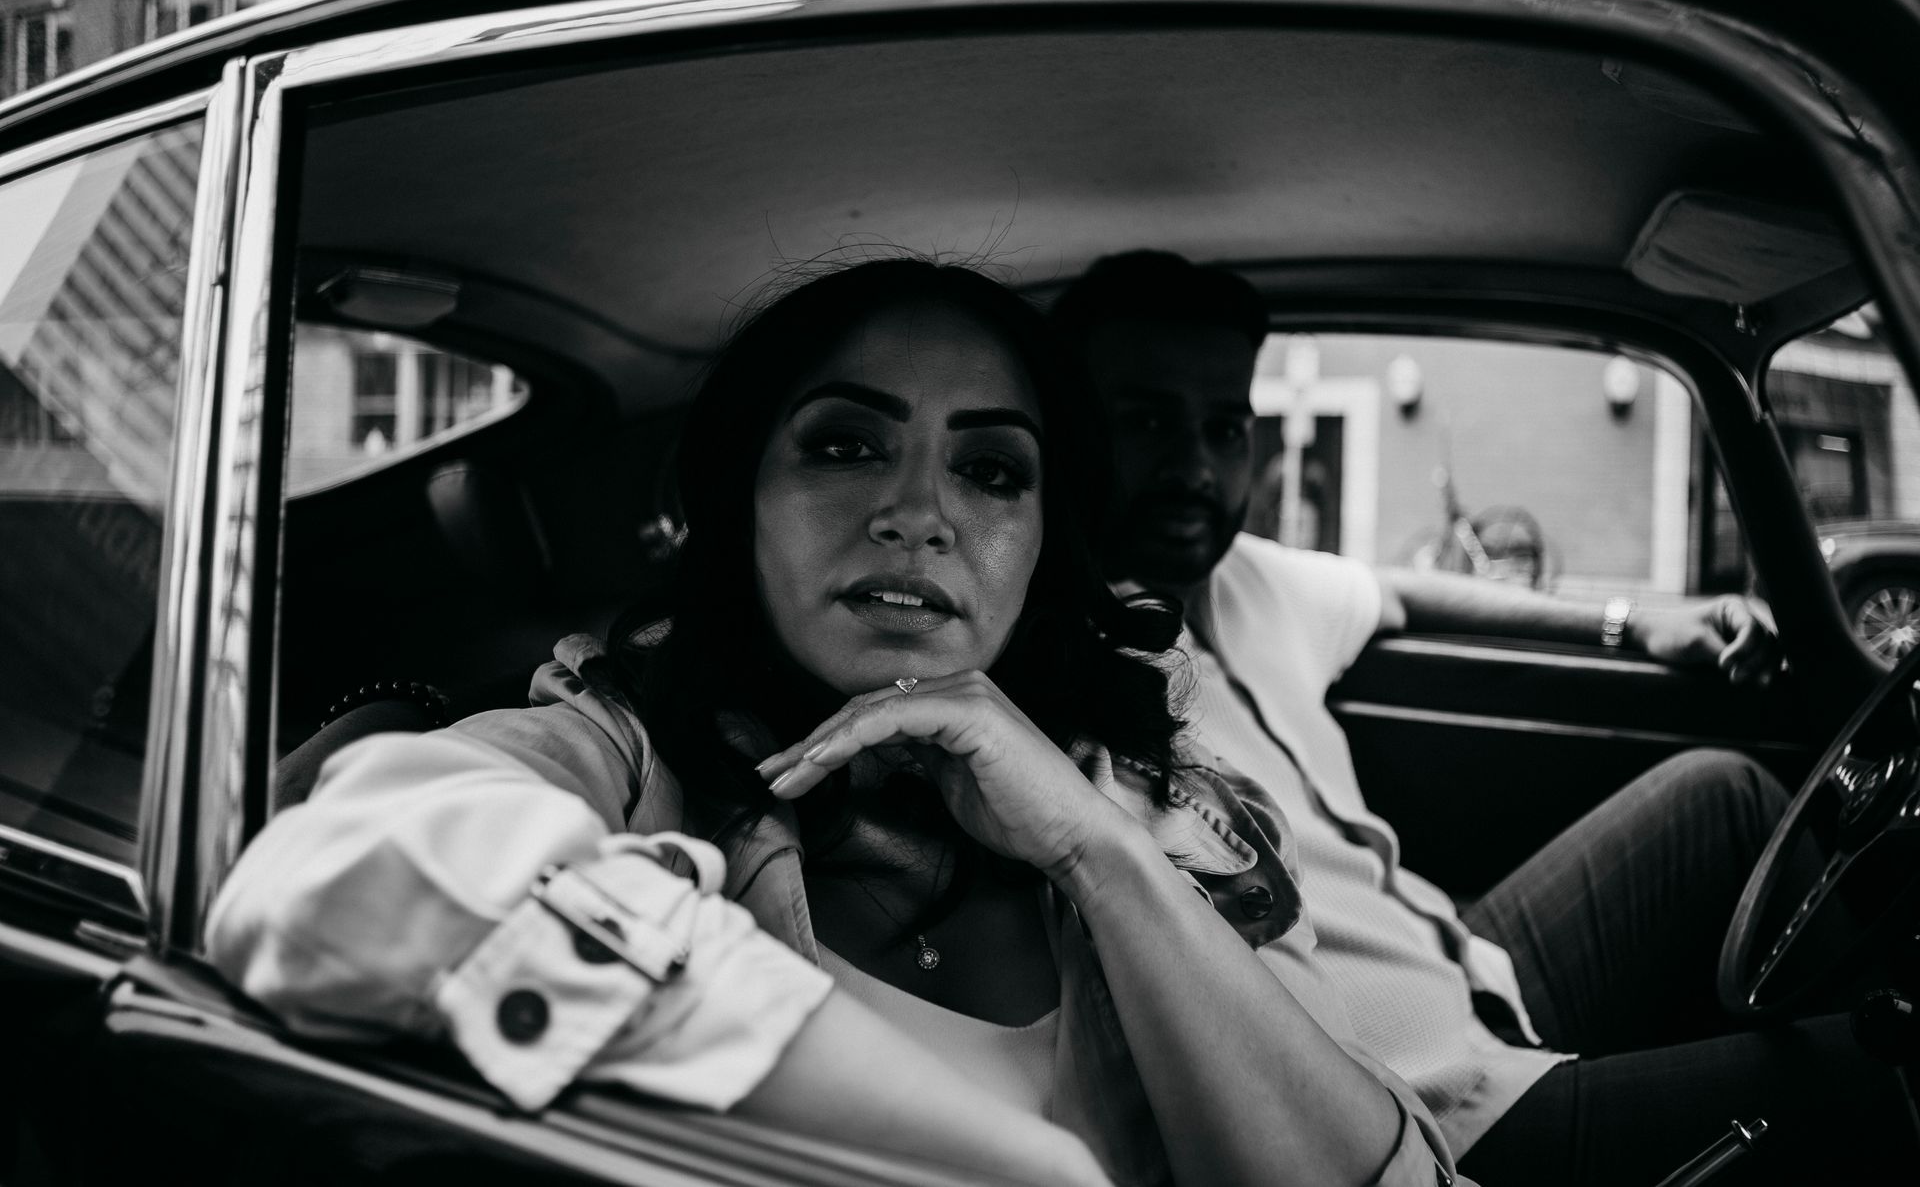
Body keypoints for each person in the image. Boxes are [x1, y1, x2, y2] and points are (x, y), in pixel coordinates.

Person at [207, 259, 1464, 1187]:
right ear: (735, 501)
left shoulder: (1164, 799)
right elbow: (340, 872)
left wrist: (1101, 850)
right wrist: (1024, 1171)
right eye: (847, 445)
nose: (919, 512)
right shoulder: (622, 744)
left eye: (990, 470)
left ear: (1043, 542)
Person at [1053, 250, 1920, 1185]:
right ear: (1069, 435)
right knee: (1892, 1077)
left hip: (1471, 969)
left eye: (1224, 427)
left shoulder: (1252, 580)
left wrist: (1636, 622)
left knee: (1722, 794)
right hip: (1426, 1114)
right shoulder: (1058, 665)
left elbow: (1404, 593)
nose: (1193, 466)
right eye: (1144, 421)